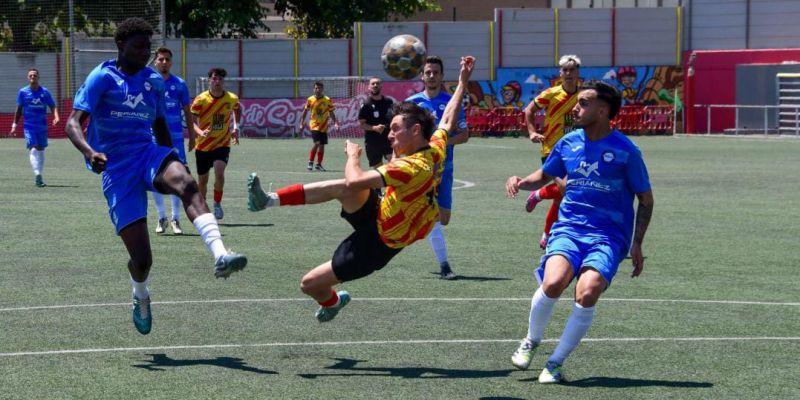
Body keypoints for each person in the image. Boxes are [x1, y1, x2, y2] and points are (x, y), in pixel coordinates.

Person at [247, 56, 476, 322]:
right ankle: (268, 200)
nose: (389, 135)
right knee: (342, 188)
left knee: (309, 284)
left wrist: (352, 156)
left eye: (395, 129)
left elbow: (356, 180)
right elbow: (447, 118)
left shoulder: (409, 167)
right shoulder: (435, 147)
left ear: (415, 131)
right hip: (380, 212)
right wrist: (462, 82)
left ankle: (333, 302)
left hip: (378, 243)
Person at [64, 17, 247, 336]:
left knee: (187, 184)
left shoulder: (153, 81)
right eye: (138, 47)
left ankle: (221, 254)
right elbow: (72, 123)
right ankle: (141, 295)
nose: (144, 53)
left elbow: (161, 124)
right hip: (116, 167)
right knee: (143, 259)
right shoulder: (102, 77)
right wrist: (90, 153)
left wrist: (171, 160)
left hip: (147, 152)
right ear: (120, 45)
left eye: (148, 48)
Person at [505, 81, 654, 383]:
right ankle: (531, 340)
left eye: (583, 103)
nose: (576, 107)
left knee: (587, 292)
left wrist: (637, 244)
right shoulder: (568, 142)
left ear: (603, 111)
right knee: (554, 282)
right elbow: (545, 174)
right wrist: (522, 181)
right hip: (570, 228)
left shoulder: (627, 151)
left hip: (609, 237)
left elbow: (646, 200)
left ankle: (555, 363)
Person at [406, 56, 470, 280]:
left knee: (443, 218)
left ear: (442, 76)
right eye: (428, 72)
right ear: (422, 76)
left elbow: (464, 135)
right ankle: (445, 265)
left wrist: (442, 142)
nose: (432, 76)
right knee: (433, 216)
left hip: (445, 167)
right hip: (422, 167)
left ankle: (418, 221)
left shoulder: (451, 102)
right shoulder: (412, 104)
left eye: (436, 72)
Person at [523, 55, 581, 250]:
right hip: (552, 150)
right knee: (567, 189)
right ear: (560, 73)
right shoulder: (551, 93)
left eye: (572, 70)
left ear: (577, 72)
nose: (569, 74)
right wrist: (532, 132)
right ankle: (539, 194)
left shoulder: (584, 97)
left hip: (575, 151)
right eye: (565, 70)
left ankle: (546, 235)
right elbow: (528, 110)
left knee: (561, 195)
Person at [150, 46, 194, 234]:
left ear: (171, 62)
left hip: (176, 140)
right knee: (154, 177)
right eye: (161, 59)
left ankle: (176, 219)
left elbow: (187, 112)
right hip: (153, 139)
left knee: (178, 177)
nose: (164, 62)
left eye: (167, 59)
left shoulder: (180, 84)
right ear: (155, 62)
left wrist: (192, 135)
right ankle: (161, 217)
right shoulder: (148, 83)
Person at [190, 67, 241, 220]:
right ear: (209, 80)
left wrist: (235, 127)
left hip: (222, 144)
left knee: (219, 173)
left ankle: (217, 204)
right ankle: (203, 206)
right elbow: (191, 121)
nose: (217, 81)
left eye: (220, 79)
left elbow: (237, 110)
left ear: (223, 81)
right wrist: (200, 132)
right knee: (203, 181)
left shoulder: (231, 98)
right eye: (214, 78)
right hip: (203, 146)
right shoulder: (201, 99)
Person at [10, 68, 60, 187]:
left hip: (42, 126)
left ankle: (39, 176)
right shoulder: (23, 92)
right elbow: (19, 109)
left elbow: (53, 106)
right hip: (29, 127)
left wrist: (56, 117)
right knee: (33, 147)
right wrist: (14, 125)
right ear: (28, 78)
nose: (33, 77)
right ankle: (37, 174)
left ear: (38, 77)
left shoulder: (45, 92)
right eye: (31, 75)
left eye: (35, 75)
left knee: (41, 149)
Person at [297, 81, 339, 171]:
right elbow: (305, 111)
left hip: (324, 125)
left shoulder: (327, 100)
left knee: (322, 145)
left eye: (319, 88)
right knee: (317, 143)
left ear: (322, 89)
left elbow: (331, 112)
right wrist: (301, 123)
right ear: (313, 89)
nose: (317, 90)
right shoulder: (310, 99)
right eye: (316, 88)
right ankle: (310, 161)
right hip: (314, 124)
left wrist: (335, 123)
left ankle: (318, 164)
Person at [358, 77, 394, 168]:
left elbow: (394, 118)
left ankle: (393, 181)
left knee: (393, 163)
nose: (375, 85)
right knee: (378, 168)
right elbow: (362, 124)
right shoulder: (366, 104)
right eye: (373, 84)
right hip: (373, 141)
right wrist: (374, 128)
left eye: (377, 83)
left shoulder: (389, 102)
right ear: (369, 87)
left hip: (388, 138)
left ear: (381, 86)